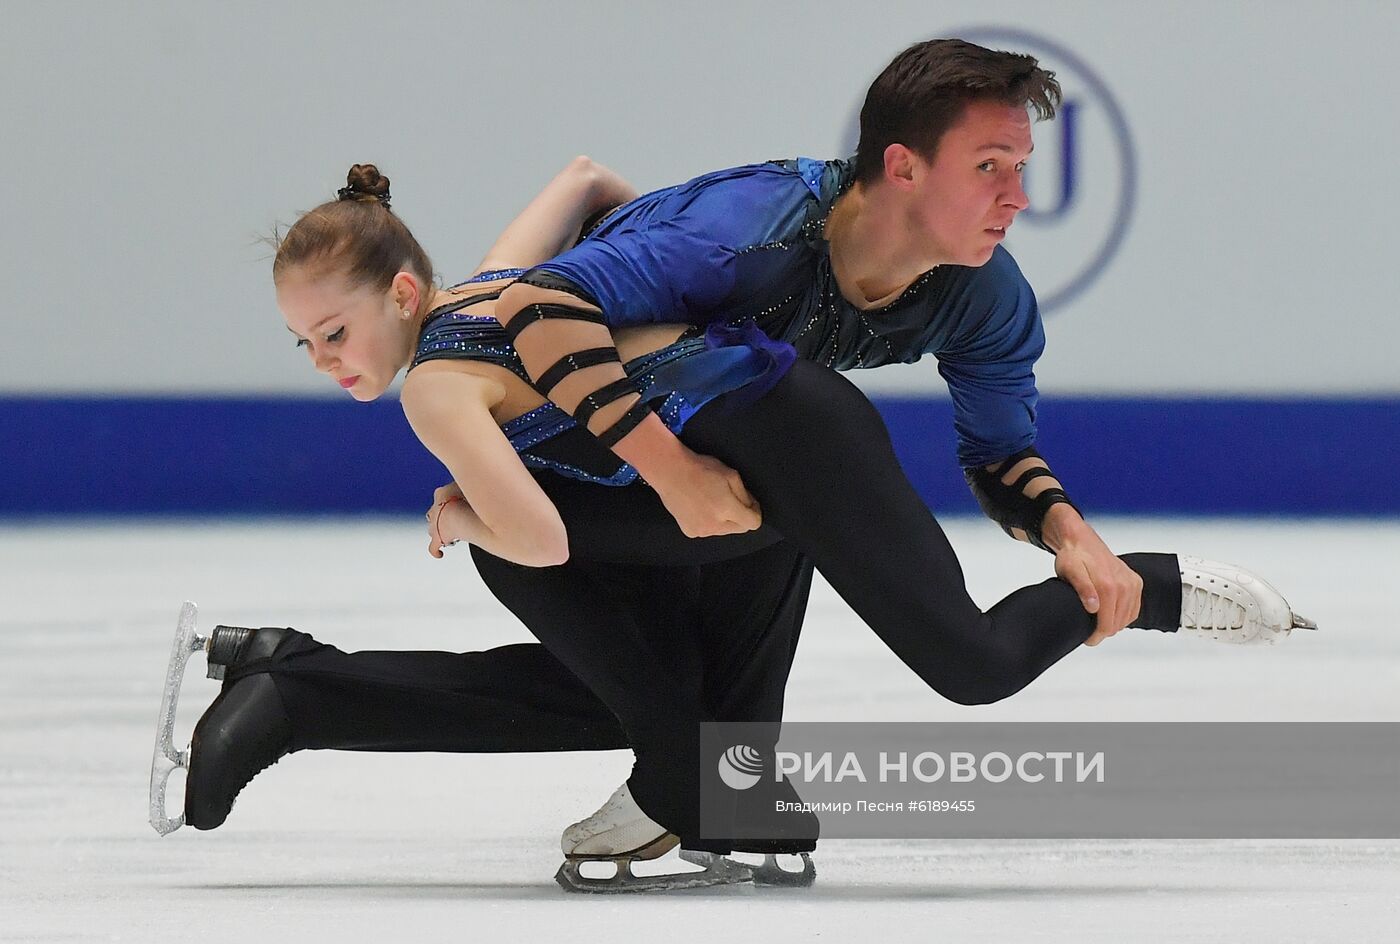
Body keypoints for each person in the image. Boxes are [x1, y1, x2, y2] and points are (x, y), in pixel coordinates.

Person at [156, 120, 1311, 893]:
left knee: (967, 662)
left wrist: (459, 512)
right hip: (743, 441)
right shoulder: (488, 280)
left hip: (787, 437)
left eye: (335, 332)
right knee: (616, 656)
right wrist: (645, 273)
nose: (324, 360)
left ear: (403, 294)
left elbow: (543, 537)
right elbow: (583, 180)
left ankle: (1149, 585)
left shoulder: (437, 388)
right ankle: (704, 780)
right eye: (304, 344)